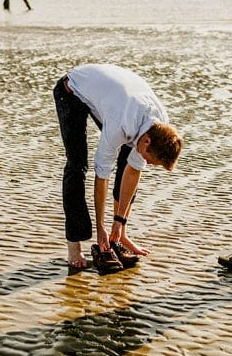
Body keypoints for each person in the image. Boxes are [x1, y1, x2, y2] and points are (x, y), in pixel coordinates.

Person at [54, 64, 183, 269]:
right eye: (151, 160)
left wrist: (120, 221)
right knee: (77, 165)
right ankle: (74, 247)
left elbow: (133, 171)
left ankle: (117, 238)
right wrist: (100, 227)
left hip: (114, 96)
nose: (148, 164)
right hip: (72, 90)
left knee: (129, 158)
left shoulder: (160, 126)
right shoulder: (120, 124)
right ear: (147, 141)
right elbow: (101, 175)